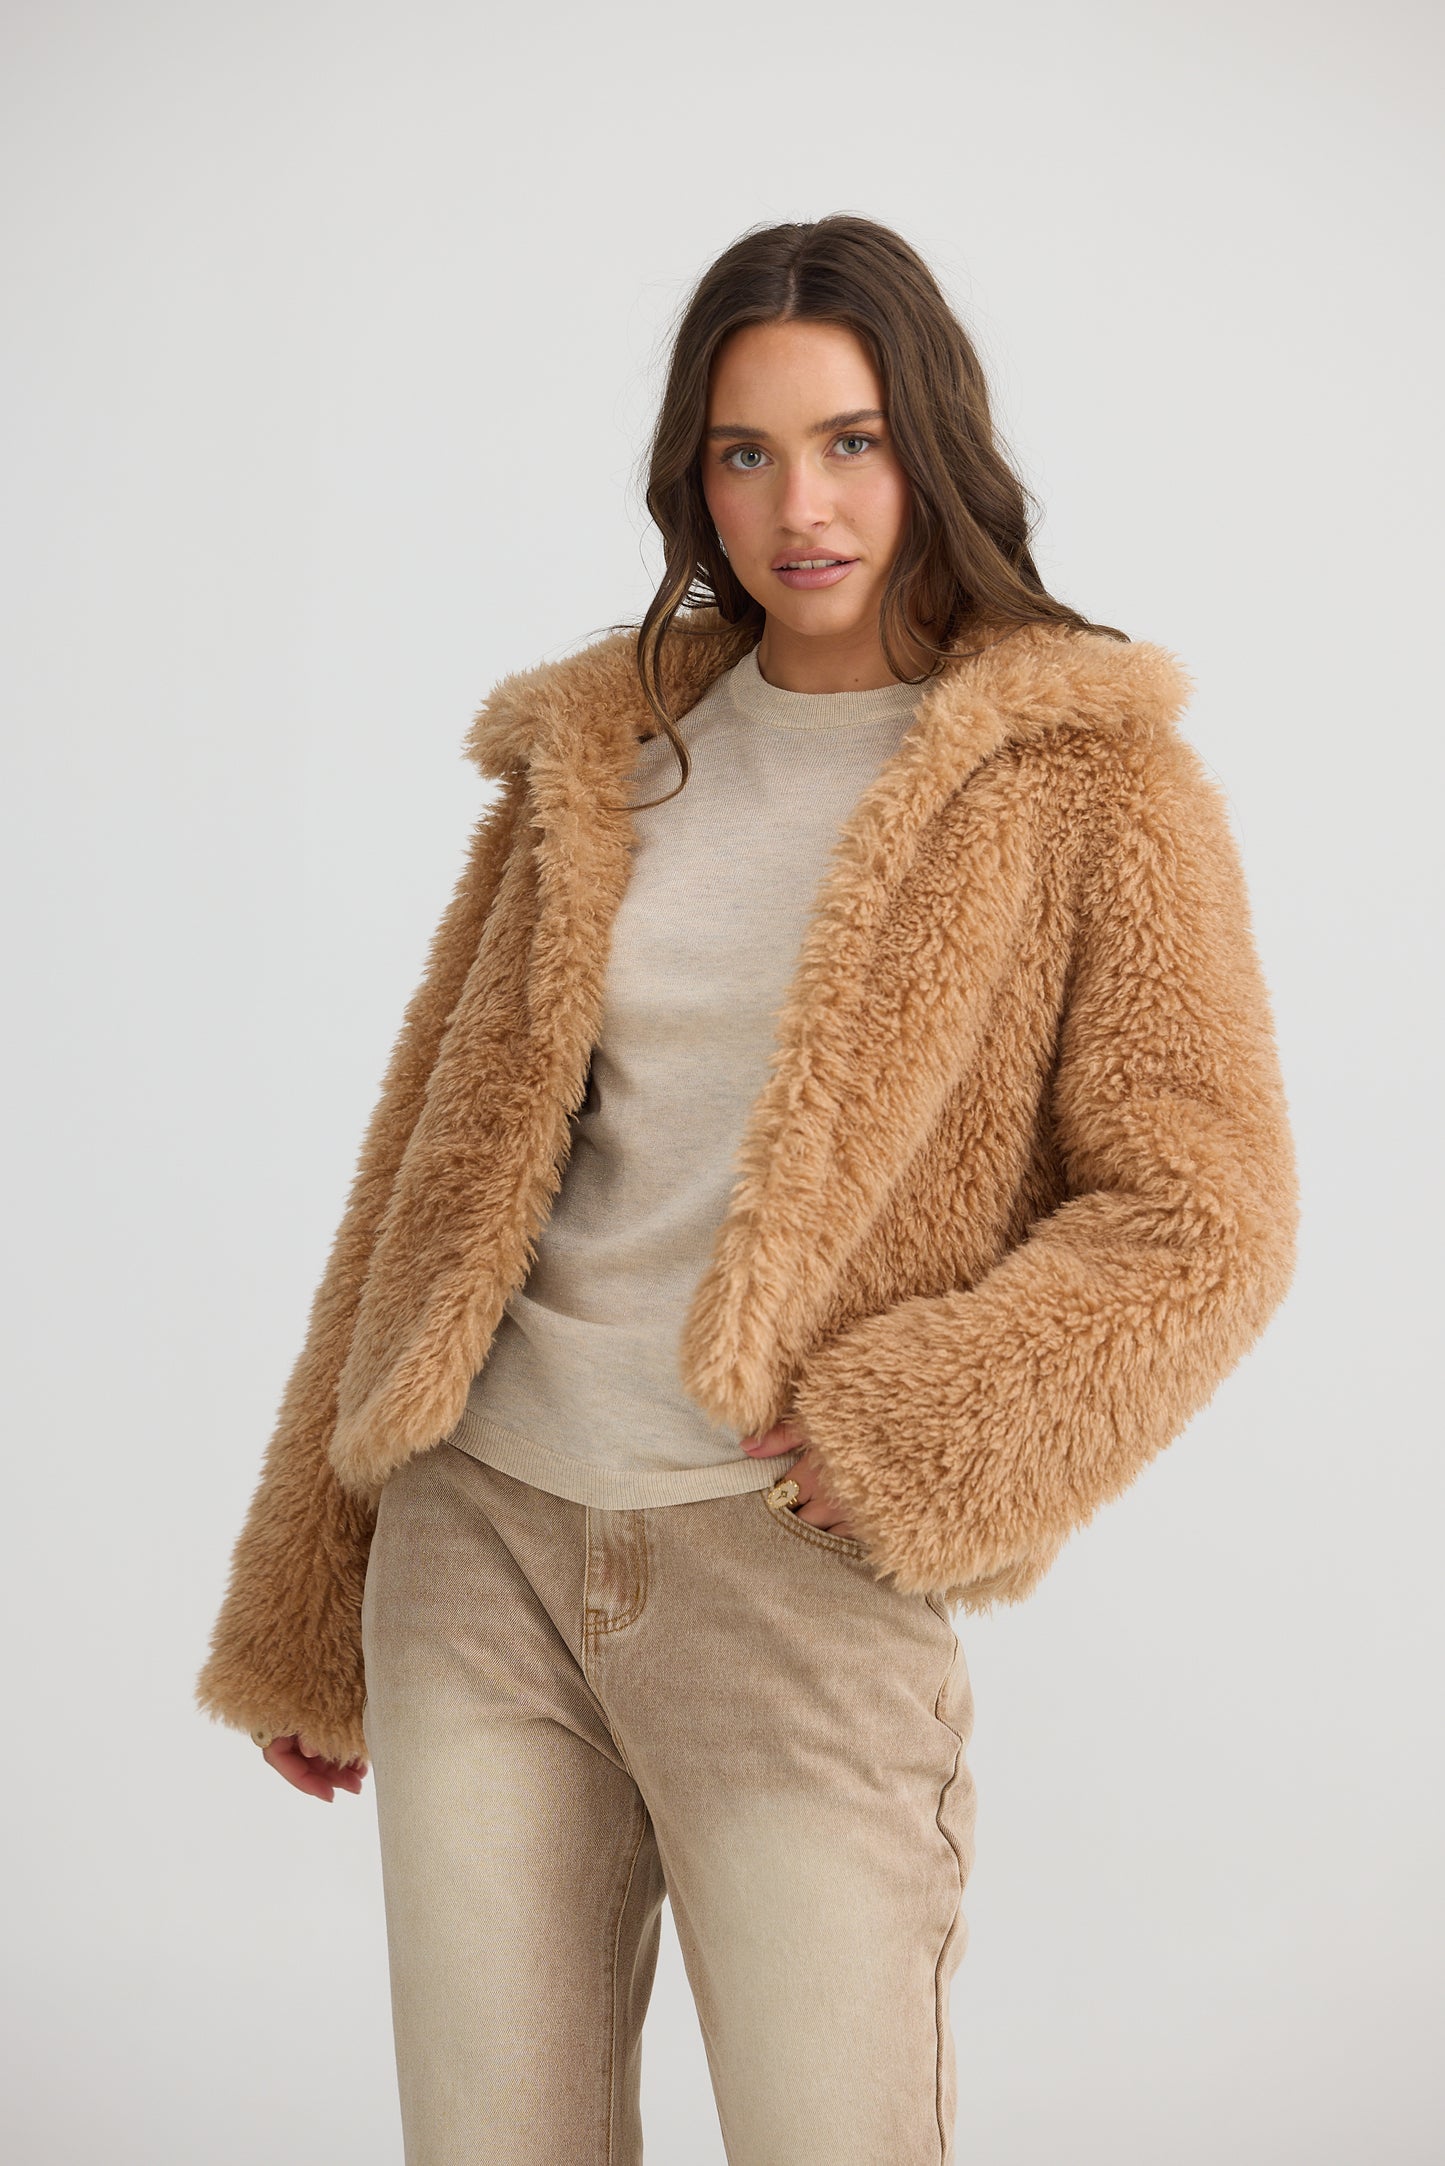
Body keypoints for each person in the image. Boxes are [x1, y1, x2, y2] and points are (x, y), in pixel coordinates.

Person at [195, 214, 1299, 2165]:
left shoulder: (1079, 773)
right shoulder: (602, 755)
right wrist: (314, 1579)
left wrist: (917, 1431)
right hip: (478, 1554)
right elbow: (423, 1184)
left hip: (788, 1581)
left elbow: (1203, 1213)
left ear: (930, 445)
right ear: (690, 478)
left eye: (851, 441)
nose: (803, 505)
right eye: (748, 451)